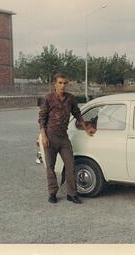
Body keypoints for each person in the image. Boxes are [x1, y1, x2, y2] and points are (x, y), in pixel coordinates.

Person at [37, 73, 96, 204]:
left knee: (71, 165)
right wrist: (44, 136)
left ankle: (71, 193)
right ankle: (52, 193)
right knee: (50, 166)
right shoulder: (48, 99)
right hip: (50, 136)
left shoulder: (70, 98)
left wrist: (86, 128)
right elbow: (42, 119)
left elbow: (77, 114)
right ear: (54, 84)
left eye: (65, 83)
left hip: (64, 137)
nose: (63, 85)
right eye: (60, 83)